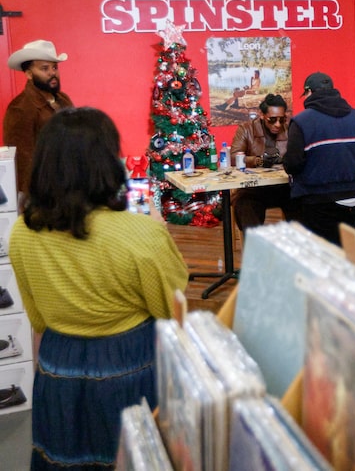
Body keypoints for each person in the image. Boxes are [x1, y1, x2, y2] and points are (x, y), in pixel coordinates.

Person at [8, 107, 188, 469]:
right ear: (106, 163)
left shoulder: (21, 233)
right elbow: (173, 312)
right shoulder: (142, 234)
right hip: (130, 364)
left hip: (58, 367)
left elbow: (39, 320)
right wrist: (157, 225)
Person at [284, 72, 355, 245]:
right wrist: (347, 162)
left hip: (317, 199)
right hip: (353, 197)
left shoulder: (301, 121)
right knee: (342, 249)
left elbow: (293, 164)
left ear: (309, 92)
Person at [4, 39, 74, 195]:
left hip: (70, 185)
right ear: (29, 74)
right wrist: (36, 198)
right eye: (44, 68)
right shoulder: (20, 108)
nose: (52, 73)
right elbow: (22, 161)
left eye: (54, 67)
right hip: (44, 193)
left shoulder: (64, 100)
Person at [229, 93, 301, 233]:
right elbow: (233, 157)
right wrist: (258, 160)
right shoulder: (246, 129)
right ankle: (257, 247)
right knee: (244, 205)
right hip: (255, 189)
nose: (278, 124)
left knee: (302, 203)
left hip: (284, 187)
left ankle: (297, 247)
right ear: (261, 115)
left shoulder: (291, 129)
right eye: (272, 120)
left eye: (282, 119)